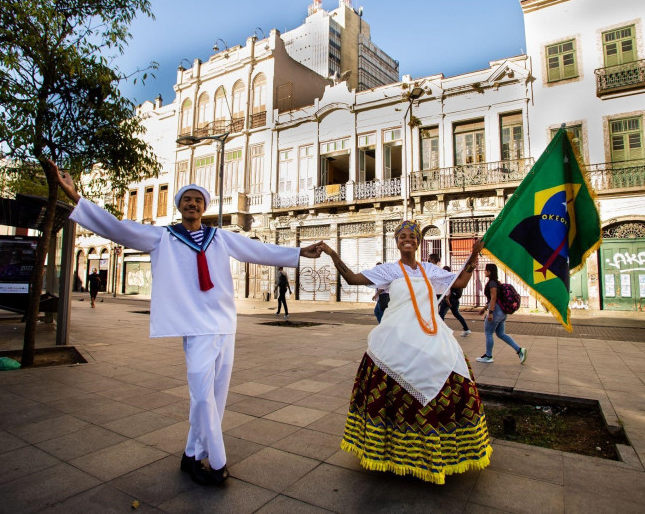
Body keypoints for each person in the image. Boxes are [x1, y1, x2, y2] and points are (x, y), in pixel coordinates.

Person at [51, 161, 322, 486]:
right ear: (179, 206)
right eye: (187, 200)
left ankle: (192, 454)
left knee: (216, 395)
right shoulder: (162, 237)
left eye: (198, 200)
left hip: (224, 322)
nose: (192, 204)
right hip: (195, 326)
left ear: (204, 207)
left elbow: (256, 250)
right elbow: (117, 228)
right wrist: (76, 196)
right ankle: (217, 463)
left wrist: (298, 252)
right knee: (202, 394)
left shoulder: (219, 237)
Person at [318, 221, 491, 485]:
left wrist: (475, 253)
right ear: (396, 242)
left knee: (455, 377)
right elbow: (352, 279)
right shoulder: (388, 270)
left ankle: (439, 450)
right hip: (396, 339)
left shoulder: (430, 270)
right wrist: (332, 254)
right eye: (402, 236)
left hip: (433, 337)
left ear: (419, 241)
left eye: (412, 236)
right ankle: (393, 453)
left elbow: (461, 282)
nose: (407, 239)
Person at [476, 263, 528, 364]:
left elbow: (494, 298)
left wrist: (490, 313)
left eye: (486, 270)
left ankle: (488, 356)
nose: (484, 271)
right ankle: (519, 350)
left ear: (490, 271)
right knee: (501, 334)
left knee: (488, 333)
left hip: (496, 312)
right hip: (502, 312)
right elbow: (493, 299)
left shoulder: (492, 284)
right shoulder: (496, 283)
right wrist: (484, 309)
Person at [438, 265, 471, 337]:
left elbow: (448, 290)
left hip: (448, 300)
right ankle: (466, 329)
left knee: (441, 315)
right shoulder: (454, 278)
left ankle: (443, 331)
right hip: (455, 300)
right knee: (457, 315)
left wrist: (447, 299)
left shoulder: (447, 279)